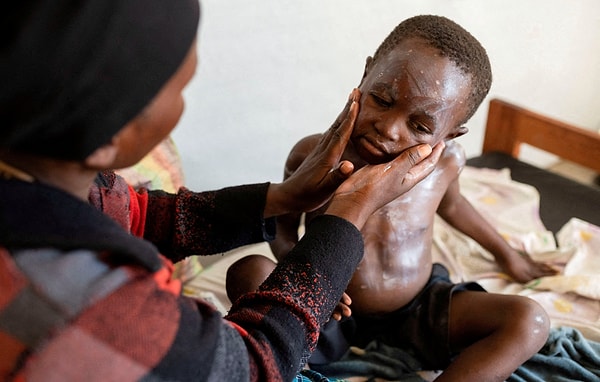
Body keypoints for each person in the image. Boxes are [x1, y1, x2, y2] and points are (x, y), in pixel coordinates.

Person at [0, 1, 445, 381]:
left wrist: (283, 196)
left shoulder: (38, 171)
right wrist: (347, 216)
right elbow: (253, 366)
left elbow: (135, 215)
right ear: (105, 138)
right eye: (180, 91)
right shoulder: (94, 307)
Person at [226, 15, 557, 382]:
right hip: (329, 307)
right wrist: (307, 283)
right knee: (249, 270)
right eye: (382, 99)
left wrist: (507, 255)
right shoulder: (315, 157)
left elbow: (454, 206)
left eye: (420, 126)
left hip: (417, 307)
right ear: (367, 73)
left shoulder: (446, 163)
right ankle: (293, 371)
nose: (389, 128)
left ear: (451, 134)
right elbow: (282, 228)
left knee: (530, 321)